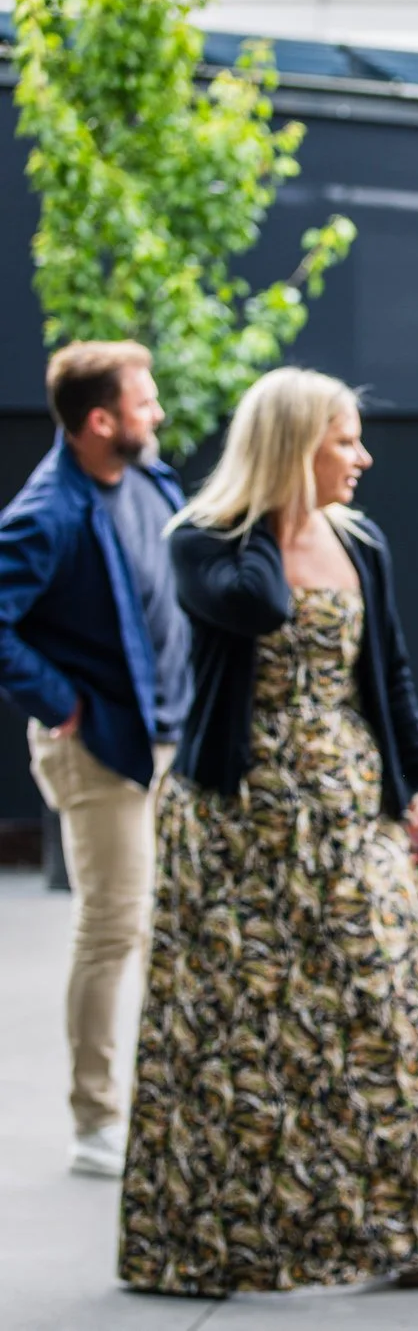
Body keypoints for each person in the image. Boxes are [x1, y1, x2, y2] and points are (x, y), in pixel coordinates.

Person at [122, 367, 418, 1295]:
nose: (364, 456)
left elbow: (394, 673)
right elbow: (258, 605)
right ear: (295, 446)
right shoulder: (208, 543)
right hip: (234, 824)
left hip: (348, 810)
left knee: (391, 1005)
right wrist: (275, 512)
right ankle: (215, 1246)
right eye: (343, 439)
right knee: (233, 1035)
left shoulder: (363, 542)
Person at [0, 342, 187, 1179]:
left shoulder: (150, 479)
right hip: (99, 744)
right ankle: (96, 1121)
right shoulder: (48, 510)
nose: (157, 417)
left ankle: (153, 1100)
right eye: (143, 405)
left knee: (162, 925)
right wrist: (61, 702)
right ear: (99, 421)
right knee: (114, 924)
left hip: (168, 736)